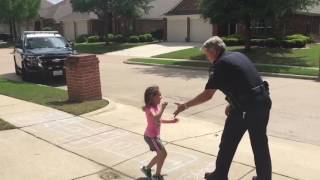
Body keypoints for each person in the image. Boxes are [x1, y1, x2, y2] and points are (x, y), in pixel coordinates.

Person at [173, 36, 272, 180]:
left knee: (228, 142)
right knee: (260, 144)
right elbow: (243, 83)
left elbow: (208, 95)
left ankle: (219, 175)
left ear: (213, 51)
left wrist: (185, 105)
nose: (207, 57)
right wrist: (232, 103)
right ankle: (264, 178)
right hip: (262, 101)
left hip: (247, 108)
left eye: (206, 54)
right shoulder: (237, 55)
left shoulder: (220, 65)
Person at [141, 86, 179, 180]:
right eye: (159, 95)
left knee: (162, 154)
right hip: (151, 137)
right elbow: (155, 118)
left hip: (155, 136)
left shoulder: (156, 107)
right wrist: (162, 109)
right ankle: (154, 173)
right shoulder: (149, 109)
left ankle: (150, 170)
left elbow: (159, 120)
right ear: (152, 97)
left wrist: (171, 121)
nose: (161, 97)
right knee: (162, 154)